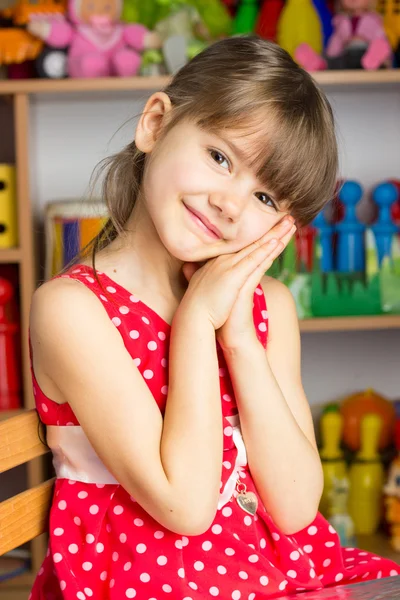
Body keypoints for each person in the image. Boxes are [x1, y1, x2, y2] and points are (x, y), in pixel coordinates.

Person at [29, 36, 399, 600]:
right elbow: (186, 506)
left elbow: (296, 507)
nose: (230, 204)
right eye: (220, 158)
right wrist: (197, 321)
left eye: (266, 199)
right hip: (147, 581)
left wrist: (240, 337)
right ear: (156, 124)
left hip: (278, 573)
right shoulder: (73, 309)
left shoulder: (268, 307)